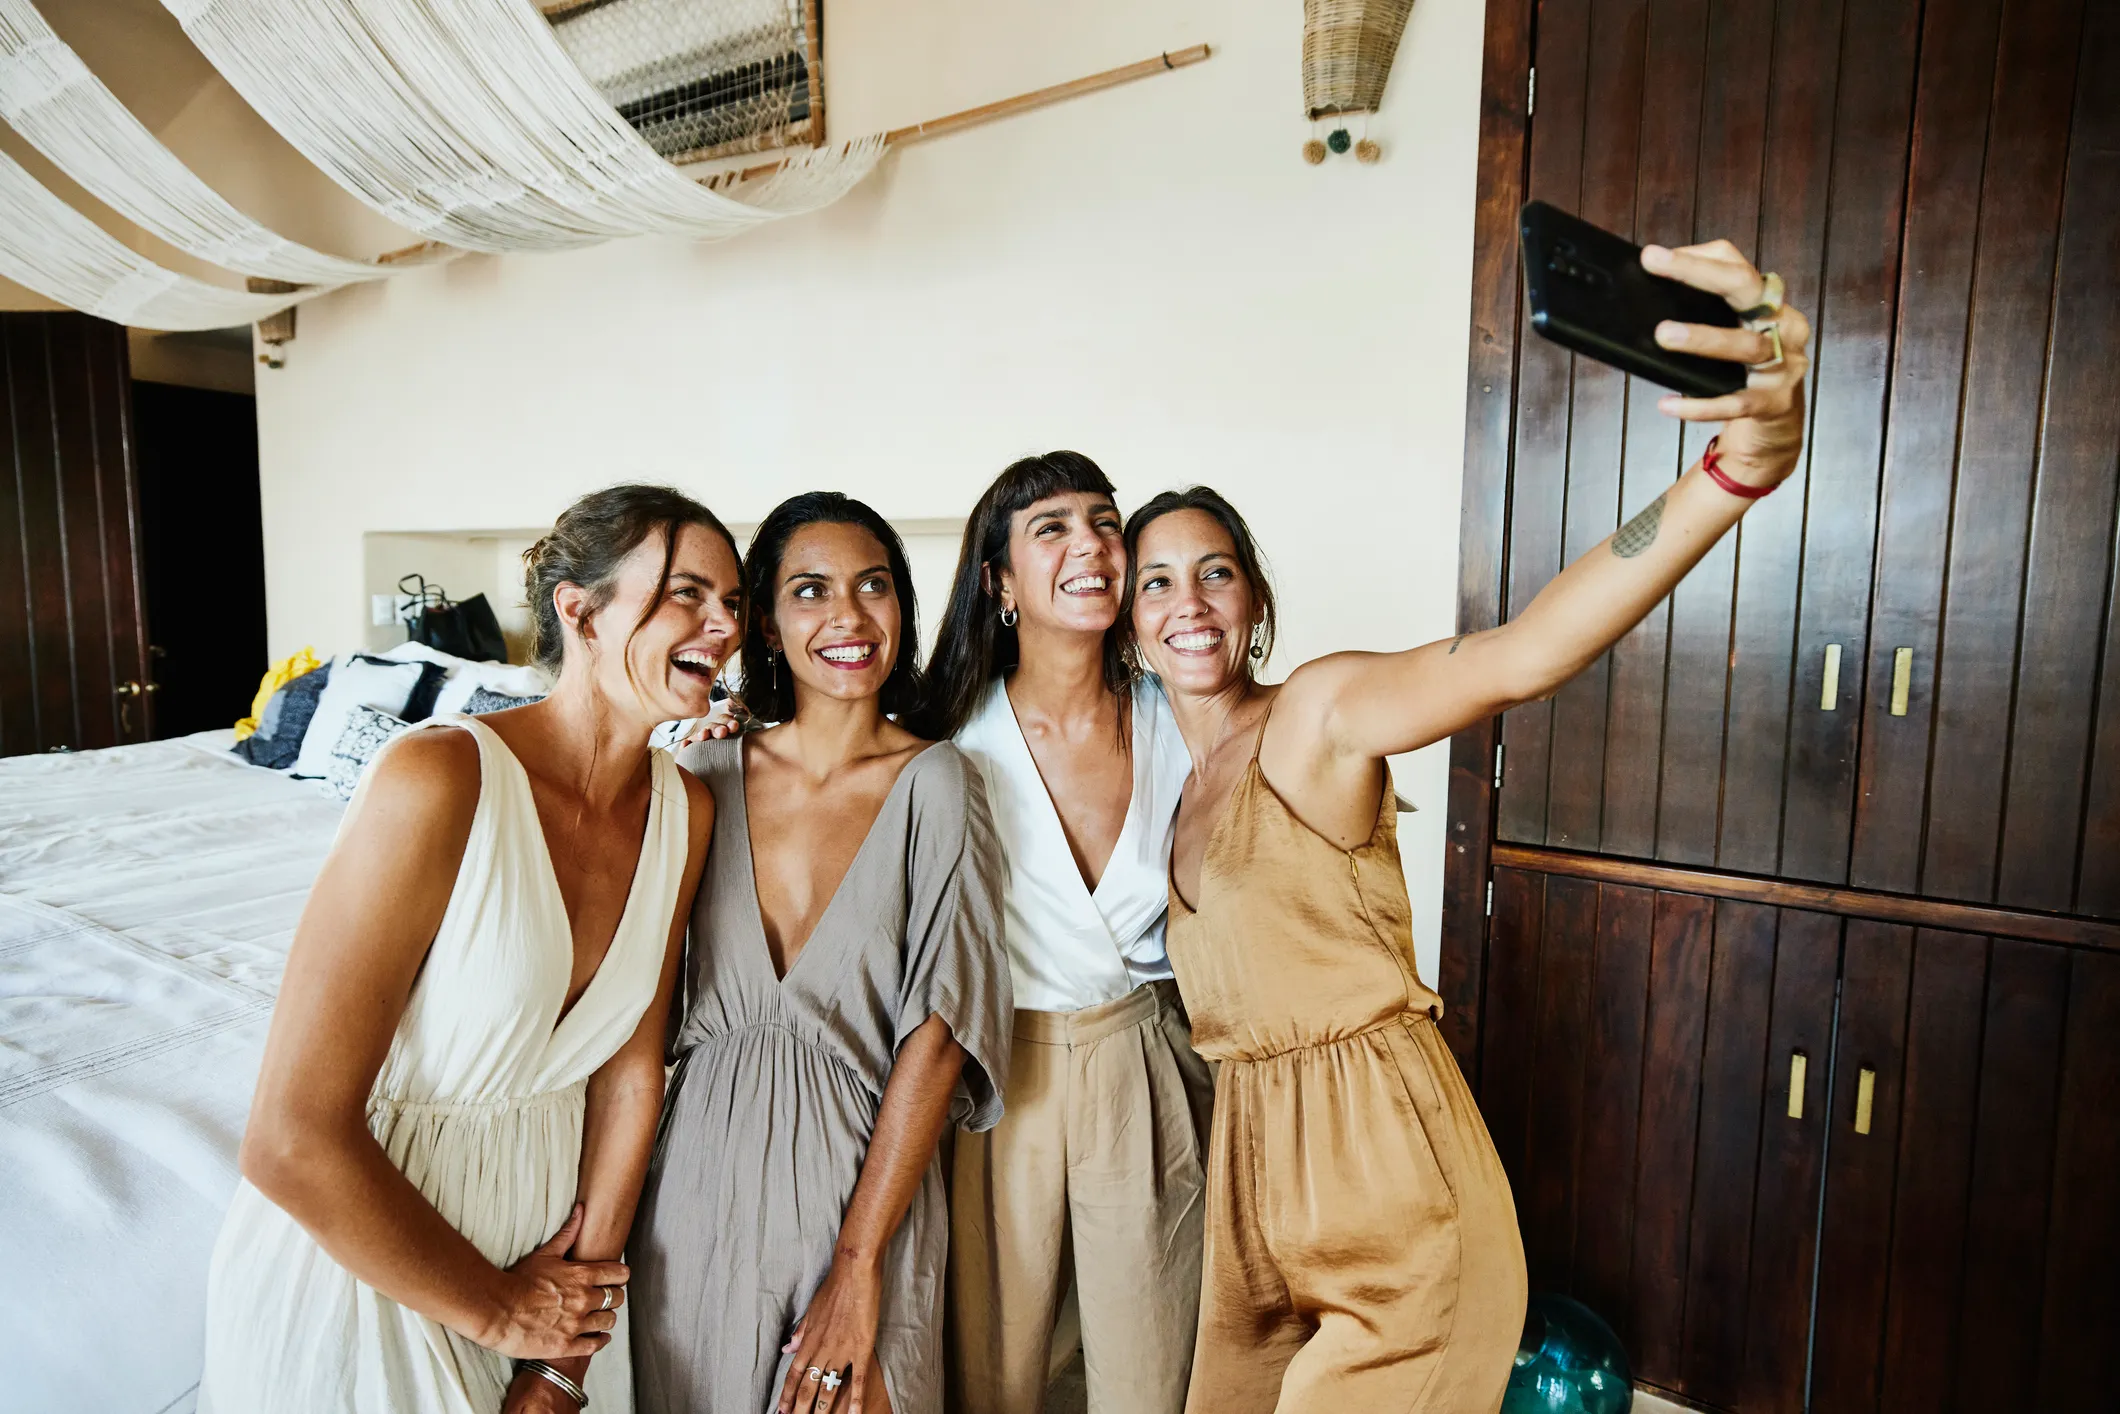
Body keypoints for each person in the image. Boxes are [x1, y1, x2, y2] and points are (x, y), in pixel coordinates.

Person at [1125, 241, 1811, 1413]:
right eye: (1154, 581)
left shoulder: (1319, 712)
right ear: (1130, 623)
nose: (1186, 601)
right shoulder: (1175, 788)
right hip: (1257, 1202)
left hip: (1394, 1196)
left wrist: (1734, 468)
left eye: (1215, 572)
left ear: (1251, 604)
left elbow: (1524, 651)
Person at [200, 484, 736, 1414]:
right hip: (373, 1272)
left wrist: (564, 1354)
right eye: (688, 593)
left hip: (555, 1285)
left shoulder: (685, 811)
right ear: (581, 611)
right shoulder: (437, 777)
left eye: (732, 602)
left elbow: (629, 1078)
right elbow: (288, 1139)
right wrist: (498, 1312)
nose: (724, 625)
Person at [630, 492, 1012, 1414]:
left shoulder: (938, 781)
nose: (848, 617)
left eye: (873, 586)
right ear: (763, 621)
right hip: (692, 1198)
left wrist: (859, 1264)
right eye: (810, 590)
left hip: (859, 1192)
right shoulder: (699, 777)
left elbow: (940, 1032)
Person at [927, 452, 1213, 1414]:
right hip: (1000, 1079)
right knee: (1000, 1367)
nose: (1091, 544)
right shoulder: (944, 739)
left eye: (1104, 521)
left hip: (1145, 1058)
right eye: (1051, 527)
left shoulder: (1179, 715)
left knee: (1150, 1360)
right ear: (999, 581)